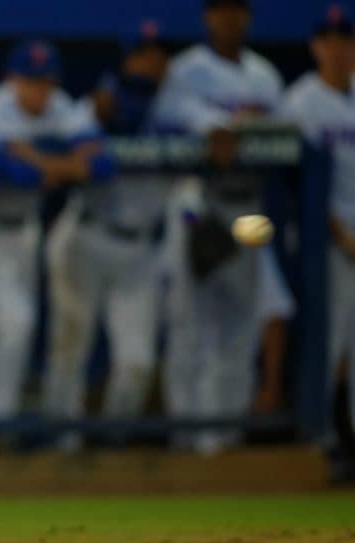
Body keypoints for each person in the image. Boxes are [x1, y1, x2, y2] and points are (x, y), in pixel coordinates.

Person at [155, 0, 293, 454]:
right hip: (197, 201)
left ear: (247, 18)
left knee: (238, 326)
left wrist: (247, 127)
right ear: (208, 17)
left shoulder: (264, 75)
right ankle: (185, 436)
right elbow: (168, 118)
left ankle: (223, 442)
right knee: (188, 323)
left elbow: (287, 132)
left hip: (247, 208)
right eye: (220, 11)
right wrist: (215, 125)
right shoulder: (186, 70)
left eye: (236, 11)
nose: (228, 19)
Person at [0, 41, 106, 426]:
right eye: (29, 81)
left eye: (44, 81)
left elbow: (98, 163)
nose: (38, 90)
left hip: (24, 231)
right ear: (12, 80)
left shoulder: (61, 106)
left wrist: (31, 156)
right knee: (14, 319)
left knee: (21, 322)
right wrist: (59, 165)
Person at [44, 22, 170, 436]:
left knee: (138, 361)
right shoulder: (97, 104)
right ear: (127, 59)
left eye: (157, 54)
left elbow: (213, 132)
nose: (149, 63)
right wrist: (99, 127)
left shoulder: (177, 107)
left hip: (140, 247)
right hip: (88, 233)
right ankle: (60, 442)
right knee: (70, 347)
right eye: (141, 54)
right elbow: (78, 146)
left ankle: (117, 444)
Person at [279, 4, 355, 481]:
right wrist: (340, 232)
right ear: (315, 47)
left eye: (345, 39)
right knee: (327, 345)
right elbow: (299, 184)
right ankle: (324, 443)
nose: (338, 48)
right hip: (327, 243)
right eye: (329, 40)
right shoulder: (300, 101)